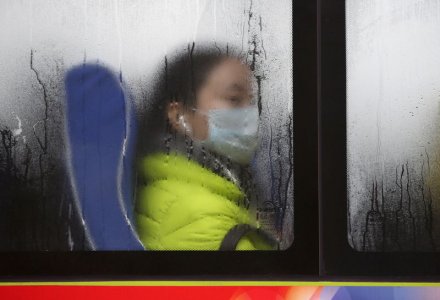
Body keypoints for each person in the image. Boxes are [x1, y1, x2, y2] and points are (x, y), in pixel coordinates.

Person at [135, 43, 275, 250]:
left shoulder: (217, 191)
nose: (251, 114)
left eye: (252, 102)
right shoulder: (204, 221)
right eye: (234, 99)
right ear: (179, 115)